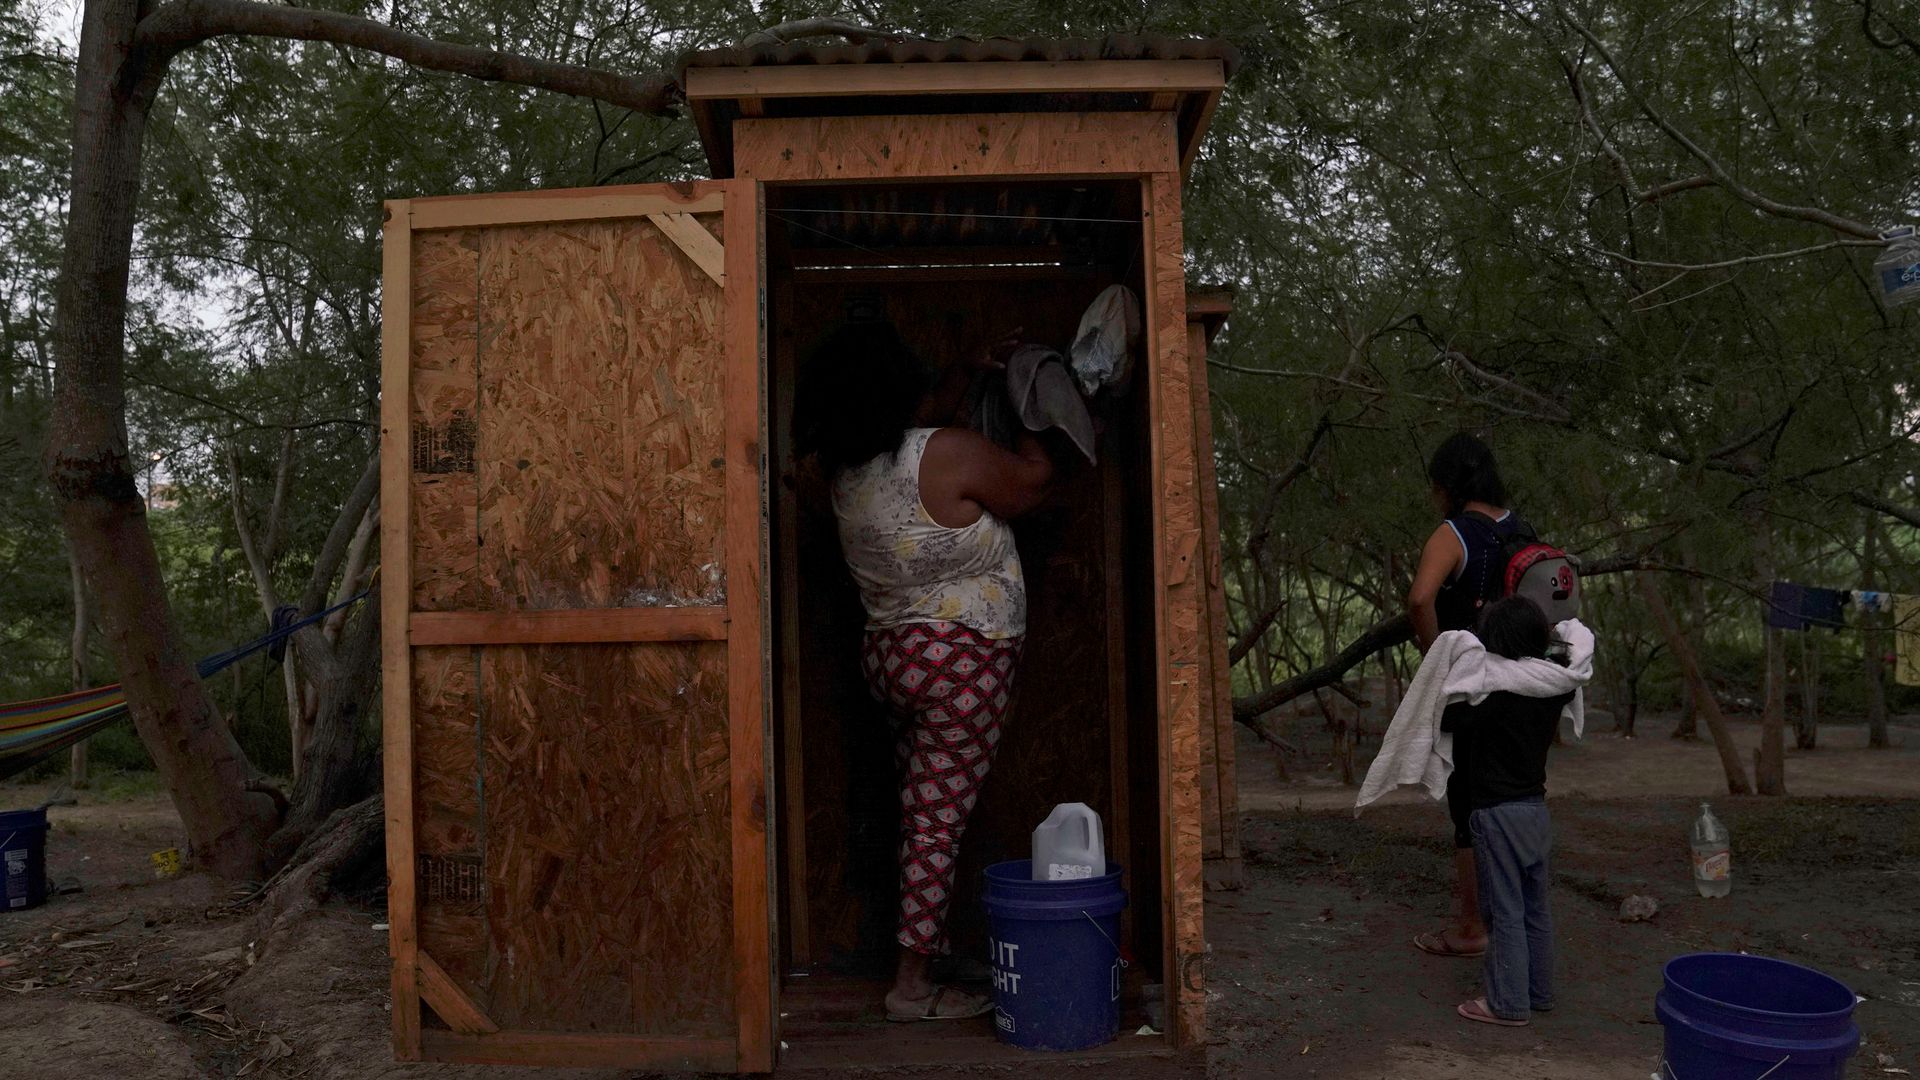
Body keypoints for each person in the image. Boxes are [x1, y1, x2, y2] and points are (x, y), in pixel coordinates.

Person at [794, 317, 1062, 1023]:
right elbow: (1032, 484)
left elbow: (910, 425)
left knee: (921, 812)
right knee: (936, 824)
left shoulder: (837, 471)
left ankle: (930, 949)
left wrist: (964, 373)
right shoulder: (945, 454)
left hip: (893, 658)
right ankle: (911, 986)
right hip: (961, 662)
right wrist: (1032, 405)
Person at [1406, 433, 1533, 960]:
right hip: (1526, 686)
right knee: (1518, 793)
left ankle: (1471, 927)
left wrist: (1437, 652)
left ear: (1449, 487)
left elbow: (1419, 597)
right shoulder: (1524, 530)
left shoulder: (1454, 532)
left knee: (1468, 805)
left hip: (1472, 685)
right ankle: (1517, 916)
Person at [1439, 597, 1570, 1026]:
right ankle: (1539, 993)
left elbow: (1448, 720)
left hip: (1497, 814)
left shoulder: (1494, 695)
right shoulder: (1554, 687)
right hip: (1535, 810)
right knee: (1535, 907)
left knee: (1504, 910)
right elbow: (1566, 652)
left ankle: (1507, 1004)